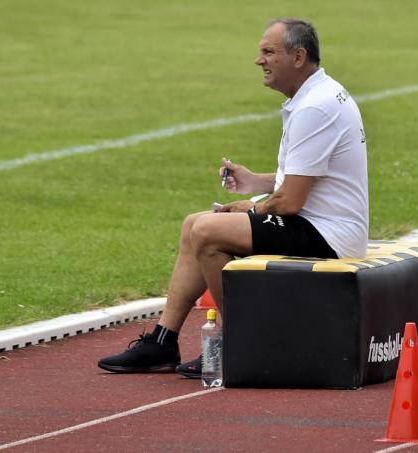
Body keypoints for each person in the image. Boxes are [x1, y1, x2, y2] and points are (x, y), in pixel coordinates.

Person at [97, 18, 369, 377]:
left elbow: (289, 203)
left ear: (299, 56)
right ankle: (163, 341)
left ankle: (245, 342)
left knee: (208, 232)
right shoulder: (316, 95)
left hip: (329, 234)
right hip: (320, 222)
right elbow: (309, 175)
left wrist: (252, 206)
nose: (260, 61)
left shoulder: (314, 108)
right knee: (194, 224)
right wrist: (255, 181)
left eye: (268, 52)